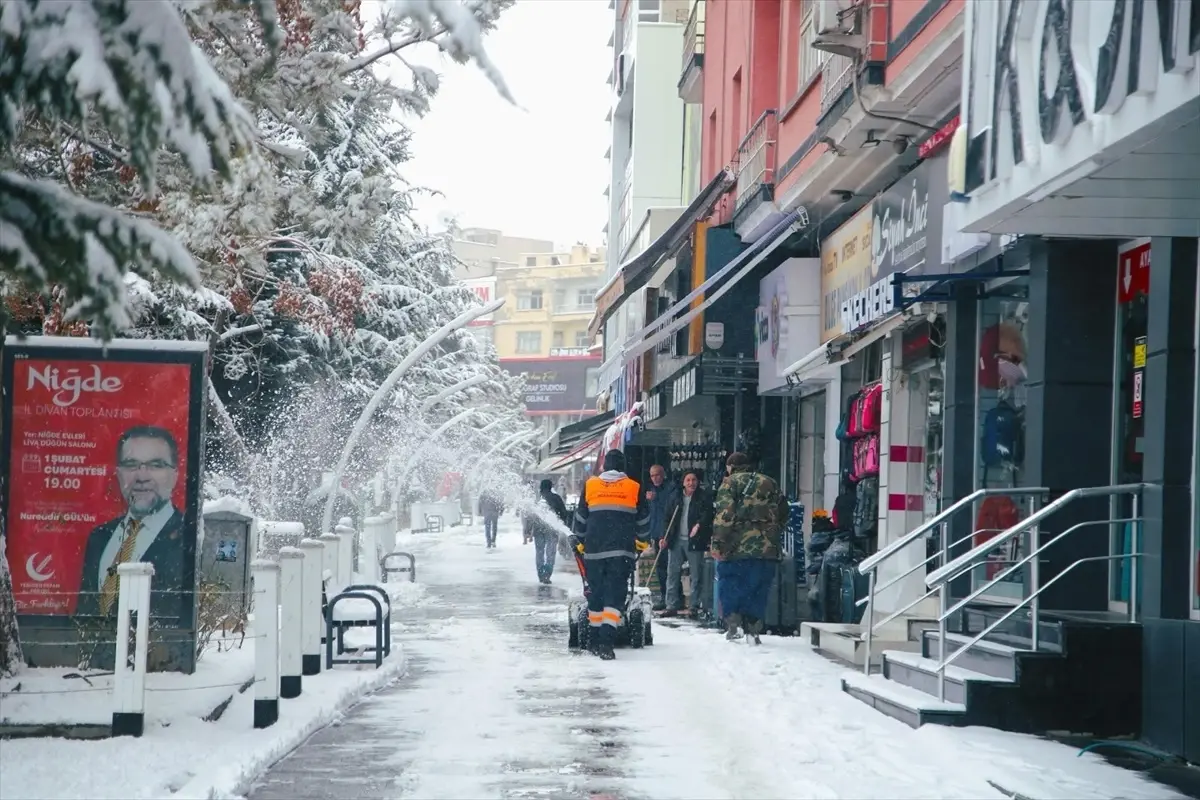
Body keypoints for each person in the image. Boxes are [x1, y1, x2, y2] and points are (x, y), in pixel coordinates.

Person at [76, 426, 187, 620]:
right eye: (131, 464)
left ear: (174, 475)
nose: (142, 476)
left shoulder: (188, 538)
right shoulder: (100, 537)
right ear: (118, 474)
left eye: (155, 465)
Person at [571, 449, 651, 660]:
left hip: (594, 552)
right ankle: (606, 643)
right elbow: (643, 521)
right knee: (614, 598)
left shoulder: (591, 485)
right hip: (621, 552)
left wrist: (580, 541)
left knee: (595, 596)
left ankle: (593, 640)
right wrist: (642, 542)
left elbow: (580, 518)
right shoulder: (634, 487)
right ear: (623, 467)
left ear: (604, 466)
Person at [711, 452, 788, 644]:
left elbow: (725, 516)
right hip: (766, 549)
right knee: (758, 588)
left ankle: (734, 624)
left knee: (731, 584)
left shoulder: (729, 483)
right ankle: (753, 628)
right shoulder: (770, 482)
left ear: (731, 467)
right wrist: (772, 532)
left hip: (735, 548)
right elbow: (784, 511)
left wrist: (718, 543)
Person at [660, 469, 713, 618]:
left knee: (696, 574)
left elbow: (707, 515)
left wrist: (699, 525)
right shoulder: (675, 497)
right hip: (676, 539)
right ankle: (671, 605)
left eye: (694, 480)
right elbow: (667, 518)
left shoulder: (703, 497)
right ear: (683, 482)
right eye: (688, 480)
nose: (691, 483)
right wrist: (663, 537)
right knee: (672, 573)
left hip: (694, 540)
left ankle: (694, 606)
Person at [644, 463, 675, 610]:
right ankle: (665, 596)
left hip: (667, 532)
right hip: (656, 533)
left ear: (663, 474)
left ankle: (671, 598)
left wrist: (664, 535)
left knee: (668, 567)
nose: (655, 478)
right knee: (661, 567)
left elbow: (668, 510)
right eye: (652, 475)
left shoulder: (669, 489)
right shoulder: (652, 490)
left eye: (657, 474)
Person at [526, 479, 568, 584]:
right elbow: (564, 514)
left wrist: (528, 529)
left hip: (538, 528)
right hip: (552, 528)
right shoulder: (556, 498)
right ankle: (547, 575)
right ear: (550, 487)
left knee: (539, 552)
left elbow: (530, 515)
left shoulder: (537, 500)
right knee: (551, 552)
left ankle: (540, 574)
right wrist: (561, 524)